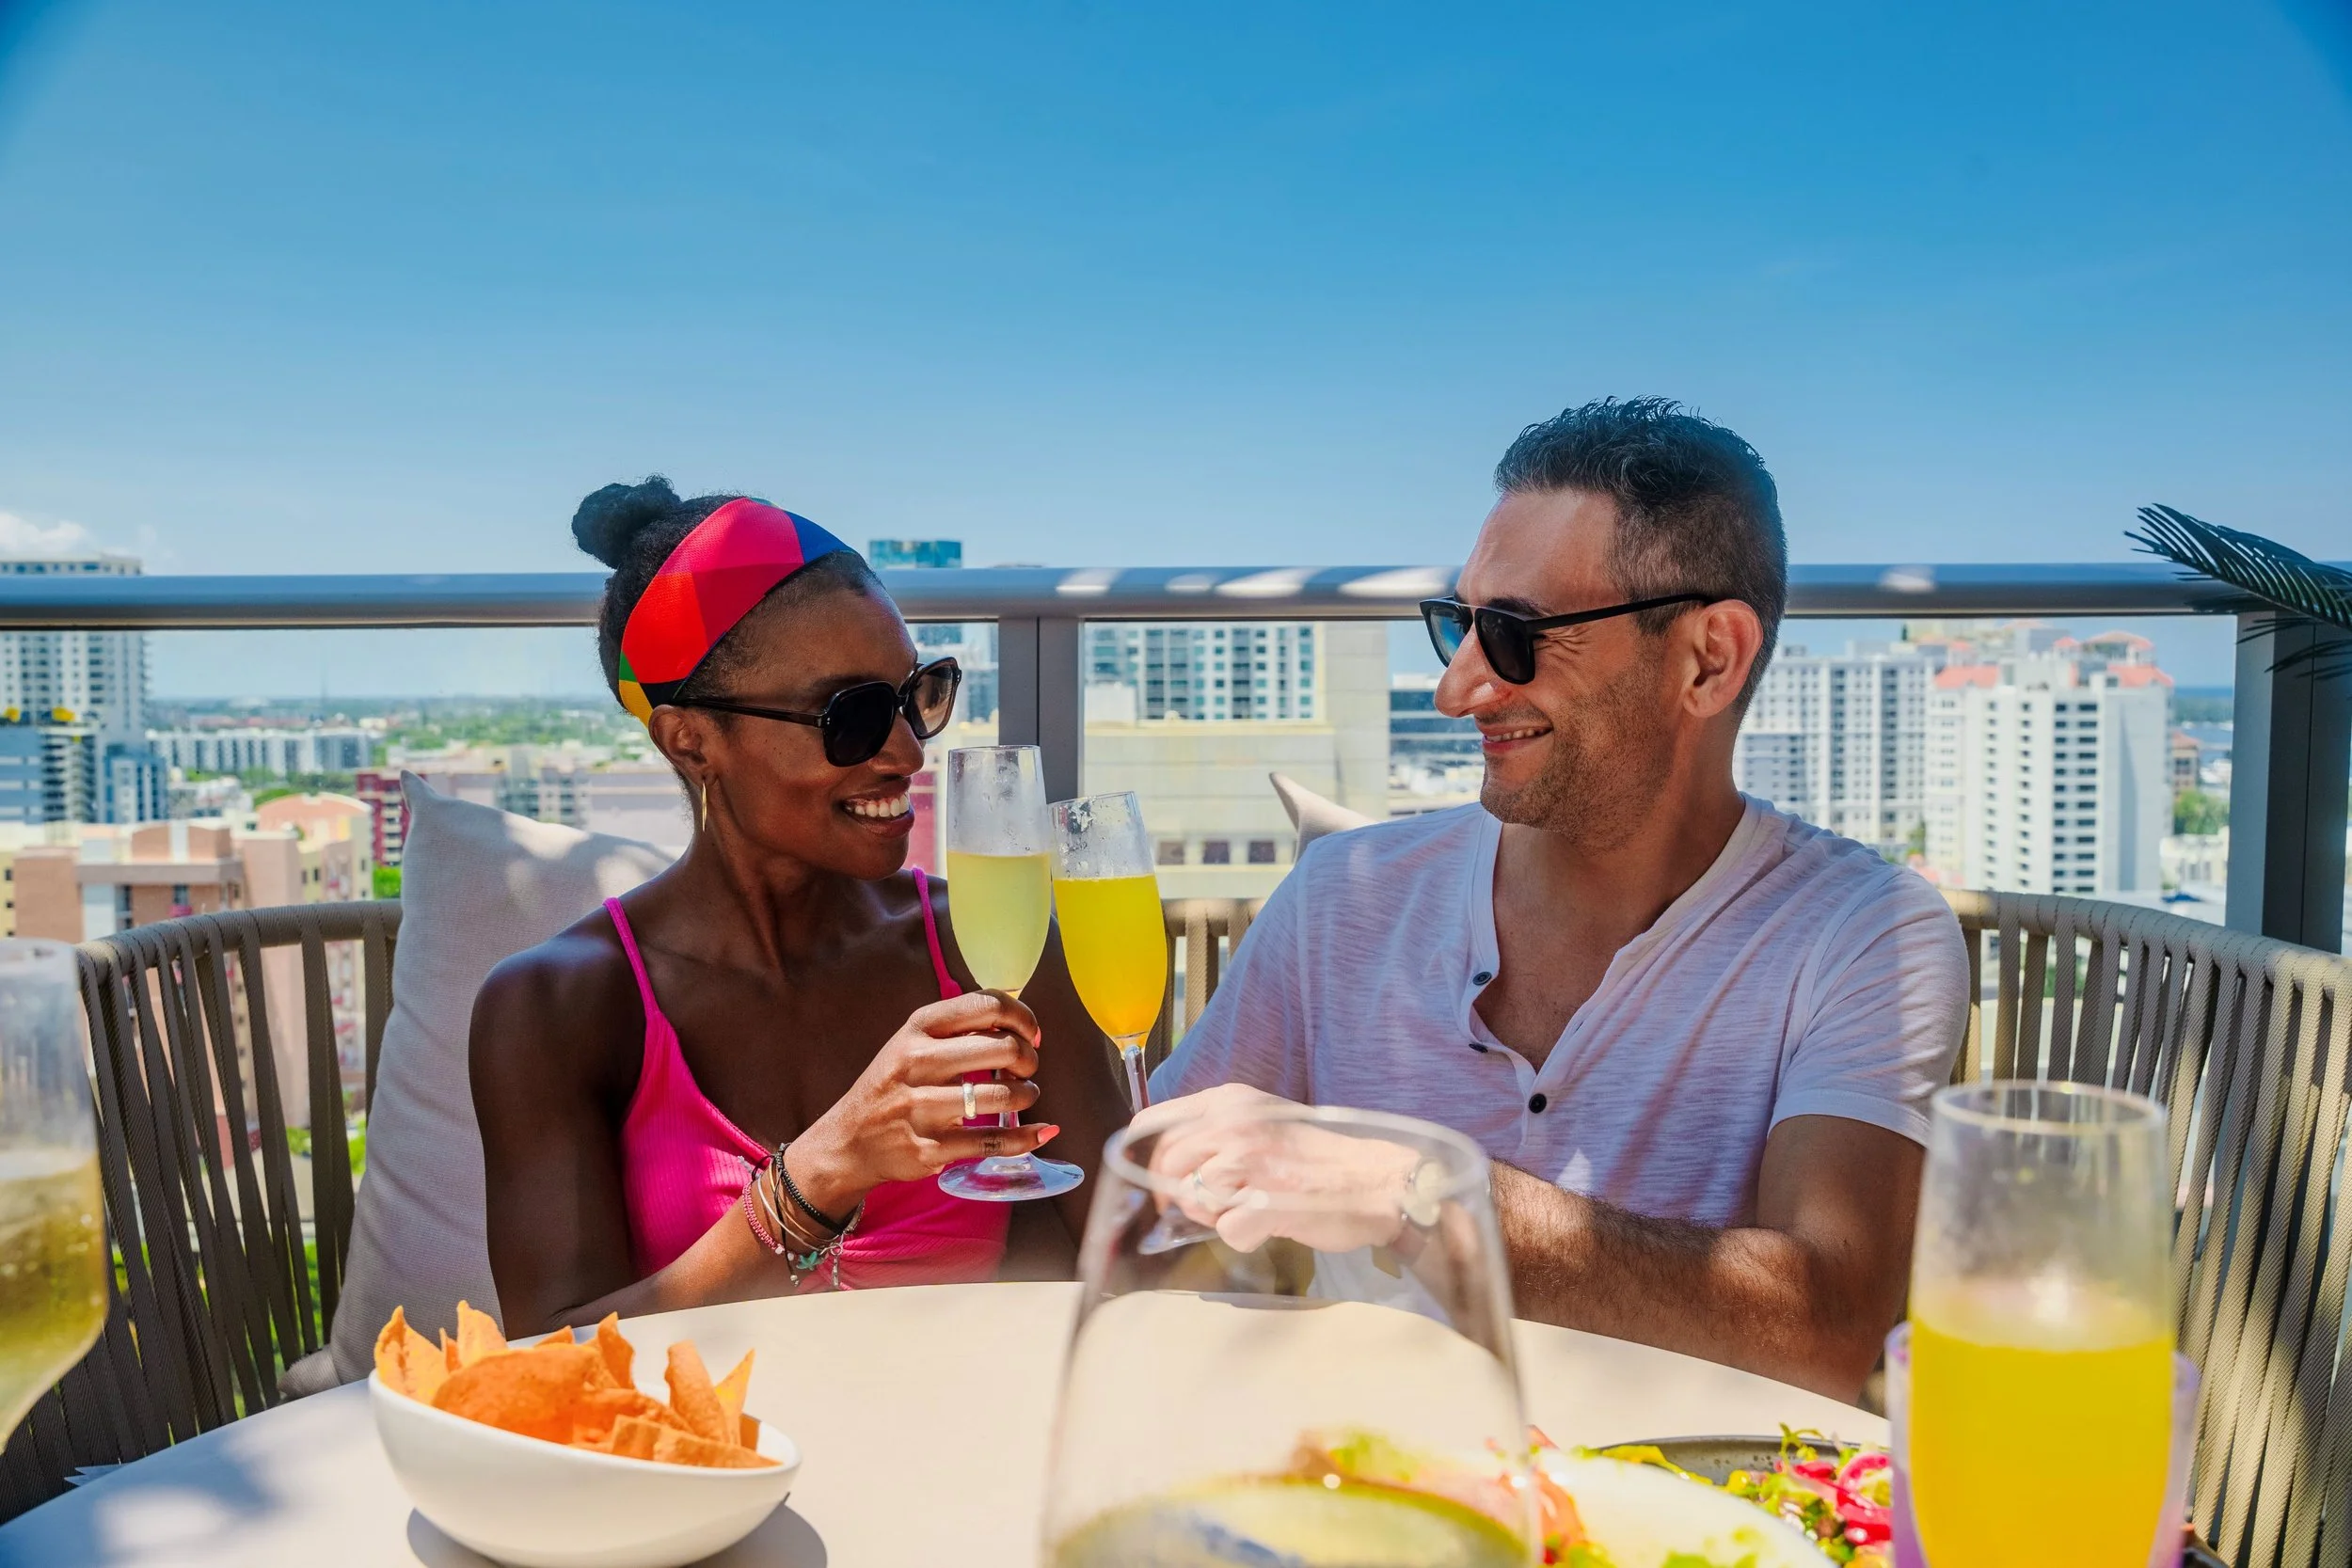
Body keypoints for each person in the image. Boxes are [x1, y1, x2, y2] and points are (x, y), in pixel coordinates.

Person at [1148, 399, 1968, 1401]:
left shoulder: (1862, 935)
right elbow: (1153, 1206)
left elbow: (1830, 1328)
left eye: (1515, 634)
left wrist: (1416, 1190)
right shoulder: (1343, 893)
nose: (1457, 689)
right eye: (1458, 624)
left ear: (1708, 657)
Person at [474, 477, 1129, 1336]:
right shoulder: (555, 1008)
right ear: (691, 739)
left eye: (917, 695)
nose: (905, 752)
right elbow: (551, 1360)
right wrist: (820, 1175)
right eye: (849, 715)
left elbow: (1135, 1268)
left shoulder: (991, 953)